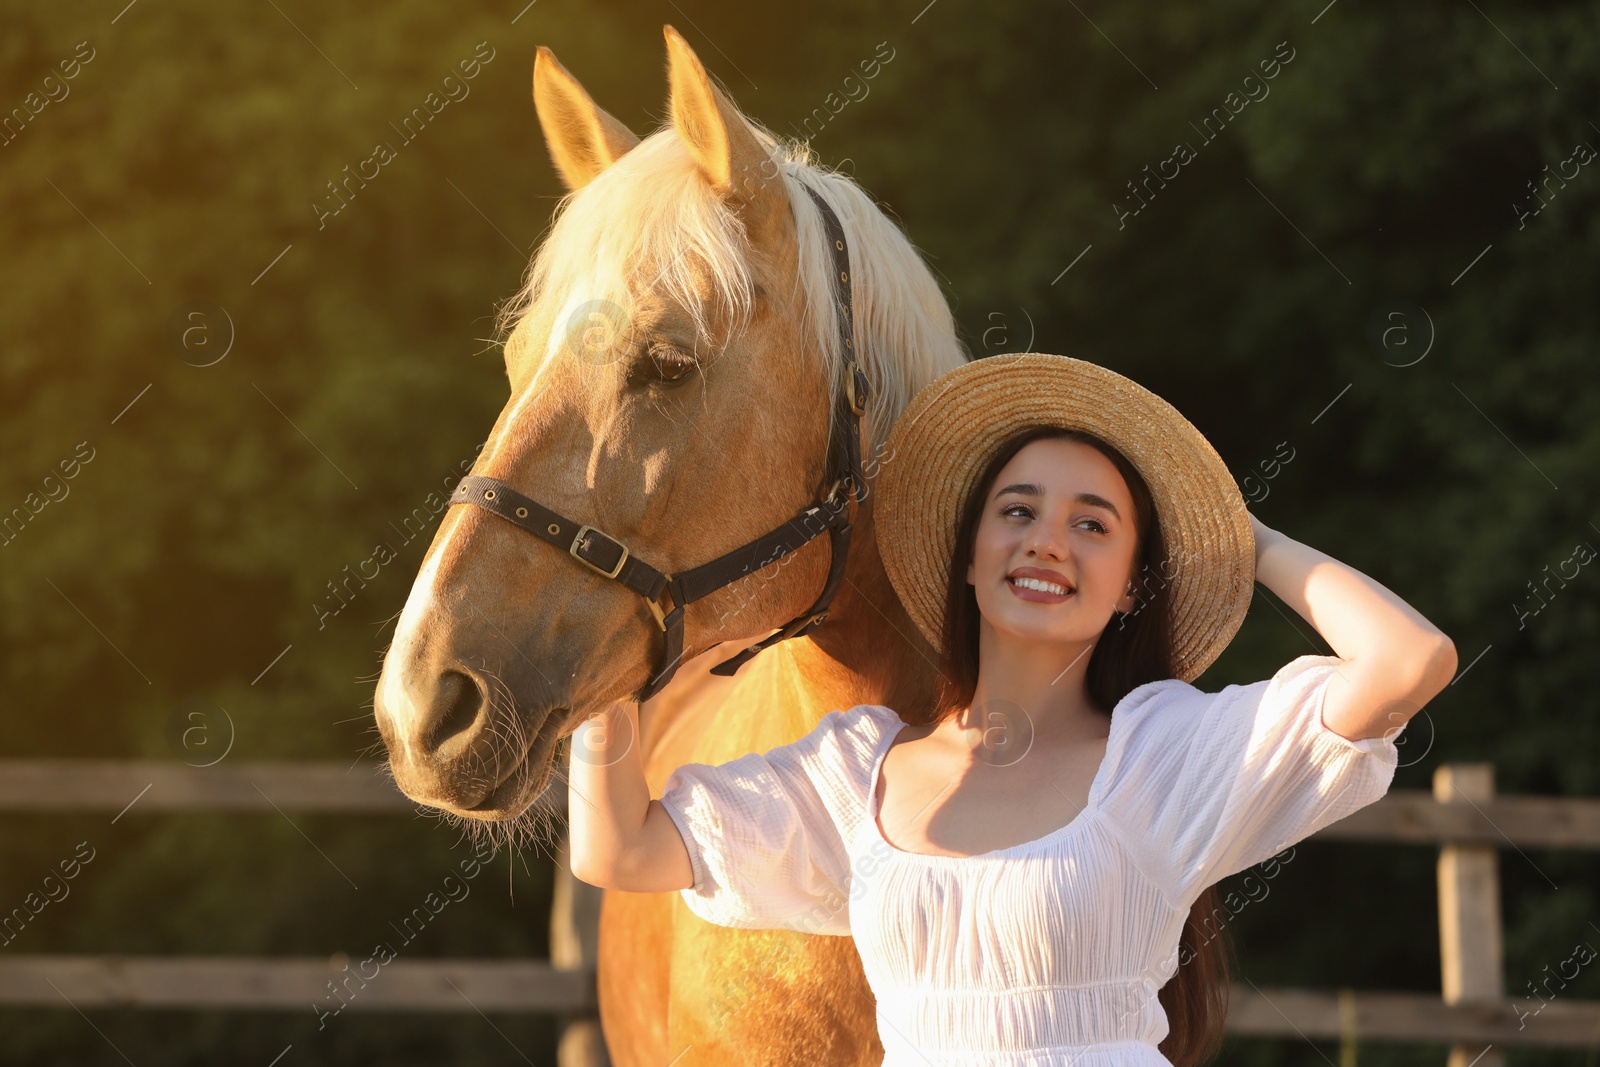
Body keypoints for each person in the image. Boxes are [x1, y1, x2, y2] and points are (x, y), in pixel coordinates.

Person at [566, 352, 1457, 1067]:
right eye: (1018, 510)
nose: (1046, 539)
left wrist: (1242, 536)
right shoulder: (856, 774)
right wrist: (597, 653)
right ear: (969, 553)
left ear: (1130, 588)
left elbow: (1407, 660)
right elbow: (620, 846)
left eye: (1093, 524)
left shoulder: (1166, 756)